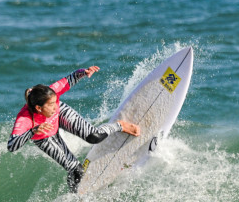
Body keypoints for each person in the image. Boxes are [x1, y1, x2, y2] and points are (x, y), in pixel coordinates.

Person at [8, 66, 140, 191]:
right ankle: (77, 197)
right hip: (44, 136)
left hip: (61, 115)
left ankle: (120, 125)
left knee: (94, 137)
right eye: (52, 104)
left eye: (56, 101)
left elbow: (71, 78)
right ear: (38, 108)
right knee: (76, 170)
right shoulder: (24, 119)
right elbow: (11, 146)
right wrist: (32, 131)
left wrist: (85, 72)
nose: (55, 106)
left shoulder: (52, 96)